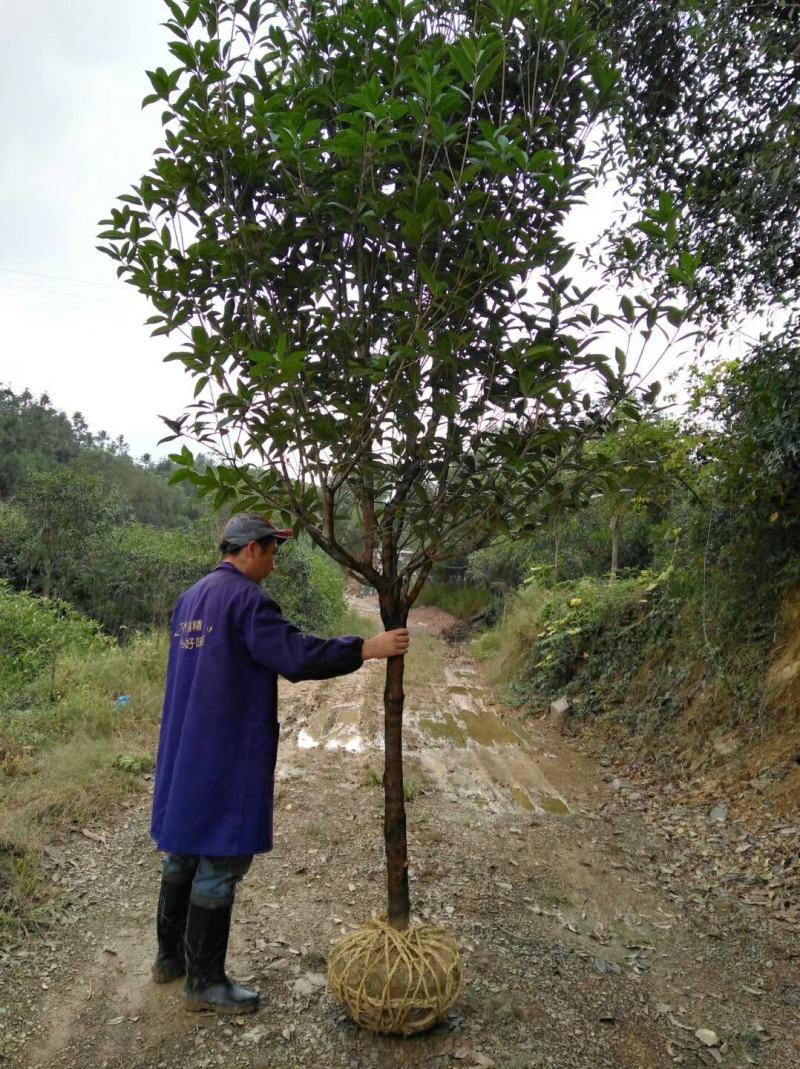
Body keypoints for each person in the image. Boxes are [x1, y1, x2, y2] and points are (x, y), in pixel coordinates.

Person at [150, 513, 410, 1015]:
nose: (274, 560)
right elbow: (294, 655)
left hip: (186, 748)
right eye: (273, 550)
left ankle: (169, 960)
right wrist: (366, 649)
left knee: (182, 849)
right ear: (251, 549)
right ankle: (203, 982)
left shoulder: (190, 599)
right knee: (220, 857)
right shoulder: (247, 601)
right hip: (224, 749)